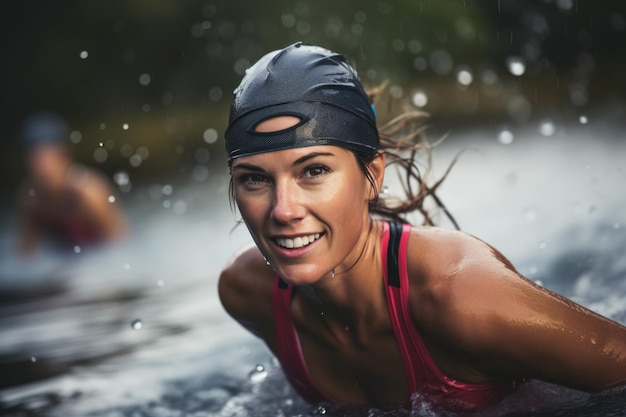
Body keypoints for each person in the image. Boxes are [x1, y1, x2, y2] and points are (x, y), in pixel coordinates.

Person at [218, 42, 626, 412]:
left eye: (314, 170)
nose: (284, 210)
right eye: (254, 179)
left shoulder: (459, 298)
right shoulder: (248, 293)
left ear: (373, 175)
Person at [17, 111, 127, 255]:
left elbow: (121, 245)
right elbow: (25, 255)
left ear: (64, 154)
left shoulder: (90, 193)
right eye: (34, 155)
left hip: (99, 259)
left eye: (45, 155)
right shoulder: (32, 200)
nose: (39, 163)